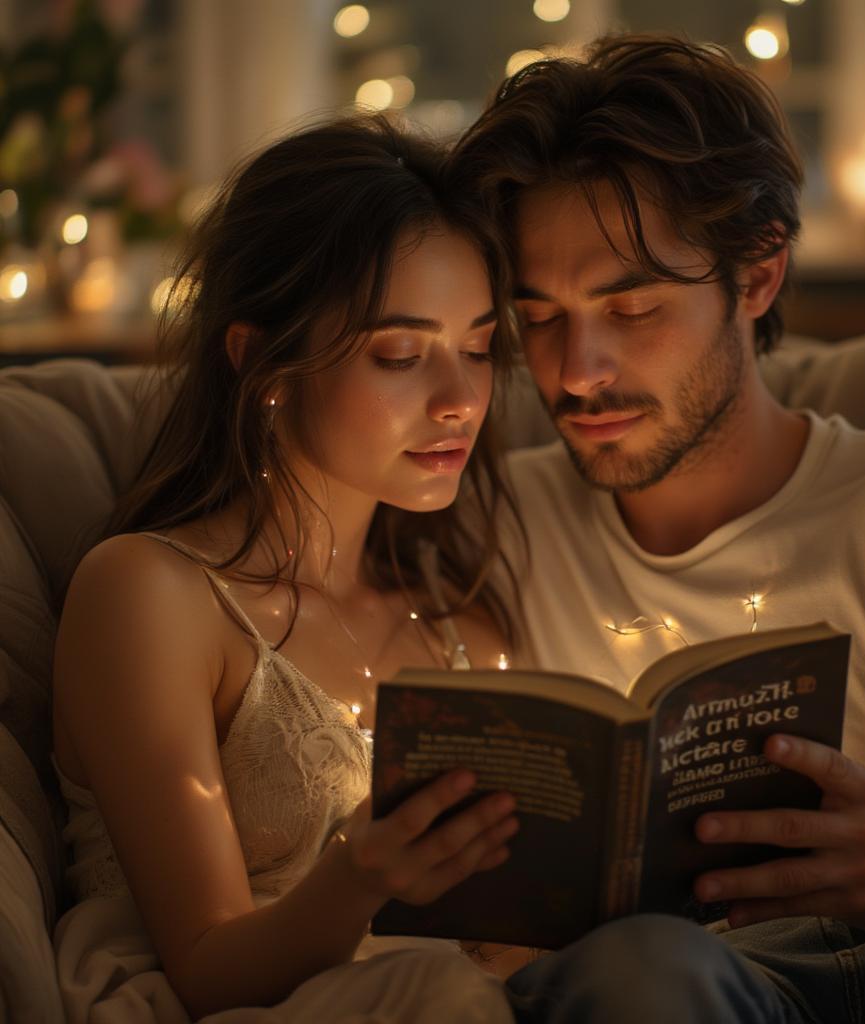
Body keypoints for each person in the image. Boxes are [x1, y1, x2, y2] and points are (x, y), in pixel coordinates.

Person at [450, 33, 865, 1023]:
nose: (574, 369)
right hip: (649, 988)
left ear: (755, 277)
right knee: (641, 973)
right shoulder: (490, 525)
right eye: (537, 316)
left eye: (630, 305)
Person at [50, 116, 524, 1022]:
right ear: (263, 361)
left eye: (477, 348)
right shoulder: (153, 596)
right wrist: (355, 874)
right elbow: (206, 966)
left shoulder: (464, 625)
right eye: (400, 354)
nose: (461, 400)